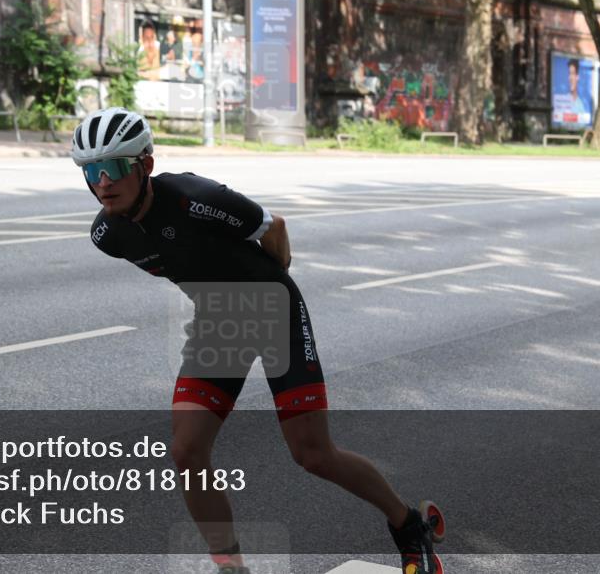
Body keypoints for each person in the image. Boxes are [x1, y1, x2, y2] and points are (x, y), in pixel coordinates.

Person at [70, 107, 445, 574]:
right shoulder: (107, 234)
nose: (103, 181)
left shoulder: (193, 197)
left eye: (115, 167)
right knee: (187, 450)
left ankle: (409, 524)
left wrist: (270, 284)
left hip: (273, 312)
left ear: (145, 164)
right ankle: (232, 568)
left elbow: (276, 229)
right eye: (91, 170)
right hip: (218, 322)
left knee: (313, 455)